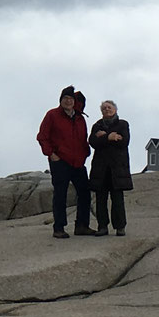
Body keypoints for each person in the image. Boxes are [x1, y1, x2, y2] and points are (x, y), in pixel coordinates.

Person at [36, 86, 92, 239]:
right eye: (65, 98)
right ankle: (59, 228)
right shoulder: (52, 115)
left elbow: (83, 138)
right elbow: (42, 136)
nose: (68, 101)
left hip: (78, 162)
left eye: (71, 99)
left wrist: (86, 152)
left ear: (75, 101)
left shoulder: (80, 118)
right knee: (60, 194)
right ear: (60, 100)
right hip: (60, 161)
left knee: (85, 193)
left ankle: (82, 225)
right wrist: (51, 154)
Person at [89, 100, 132, 237]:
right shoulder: (97, 125)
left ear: (115, 109)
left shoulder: (123, 124)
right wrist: (110, 137)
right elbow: (93, 142)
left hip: (117, 168)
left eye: (109, 107)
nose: (106, 110)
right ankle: (102, 226)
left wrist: (104, 137)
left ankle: (120, 227)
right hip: (101, 169)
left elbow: (124, 141)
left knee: (117, 199)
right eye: (104, 108)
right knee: (100, 200)